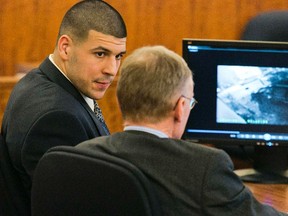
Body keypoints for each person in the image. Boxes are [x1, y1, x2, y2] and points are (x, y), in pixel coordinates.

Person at [76, 45, 286, 216]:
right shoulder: (205, 166)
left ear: (120, 103)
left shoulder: (83, 155)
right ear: (180, 108)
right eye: (191, 102)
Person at [1, 0, 126, 199]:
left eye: (118, 56)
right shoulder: (56, 119)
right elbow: (75, 205)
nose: (111, 69)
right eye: (100, 54)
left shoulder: (38, 80)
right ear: (65, 47)